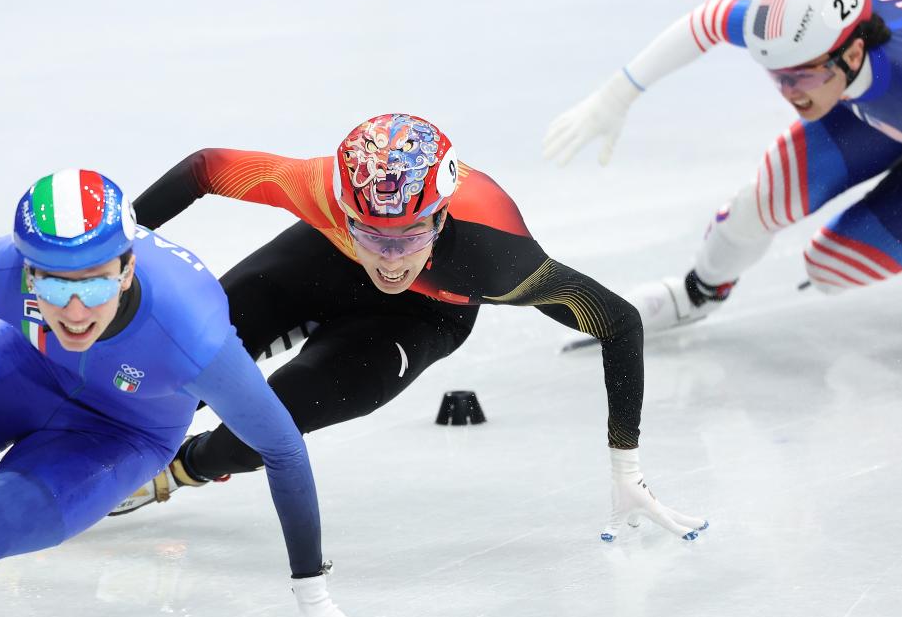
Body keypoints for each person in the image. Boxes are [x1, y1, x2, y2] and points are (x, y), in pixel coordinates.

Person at [102, 112, 706, 542]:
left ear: (441, 218)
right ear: (344, 209)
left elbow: (619, 323)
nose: (391, 260)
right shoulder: (315, 188)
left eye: (411, 234)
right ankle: (93, 423)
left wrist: (625, 466)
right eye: (373, 233)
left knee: (277, 414)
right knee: (186, 349)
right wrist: (114, 251)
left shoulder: (495, 255)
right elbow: (205, 168)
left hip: (425, 315)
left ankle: (177, 471)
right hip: (322, 260)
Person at [0, 169, 405, 617]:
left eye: (95, 286)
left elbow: (283, 448)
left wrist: (312, 592)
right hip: (20, 366)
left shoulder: (191, 335)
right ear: (28, 274)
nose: (75, 312)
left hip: (120, 435)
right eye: (55, 289)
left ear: (127, 270)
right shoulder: (0, 269)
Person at [543, 0, 902, 331]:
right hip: (876, 113)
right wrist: (616, 96)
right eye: (778, 77)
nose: (790, 93)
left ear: (853, 55)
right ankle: (696, 295)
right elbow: (707, 21)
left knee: (834, 266)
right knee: (767, 212)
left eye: (801, 77)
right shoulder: (796, 35)